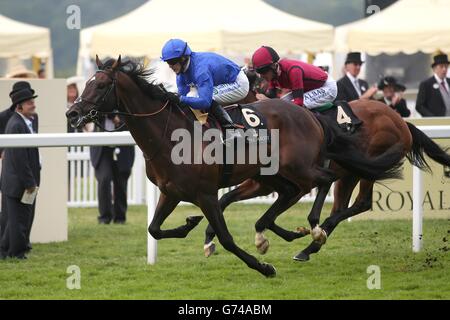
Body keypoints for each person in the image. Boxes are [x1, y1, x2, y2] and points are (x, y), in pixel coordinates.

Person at [251, 46, 362, 132]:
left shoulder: (293, 71)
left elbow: (298, 104)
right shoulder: (274, 74)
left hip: (327, 87)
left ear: (274, 66)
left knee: (289, 107)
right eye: (259, 72)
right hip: (310, 87)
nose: (261, 76)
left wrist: (268, 100)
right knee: (282, 103)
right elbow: (272, 97)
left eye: (263, 71)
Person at [160, 39, 249, 142]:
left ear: (183, 58)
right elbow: (182, 99)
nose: (170, 66)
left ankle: (232, 131)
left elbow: (205, 102)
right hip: (222, 83)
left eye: (172, 62)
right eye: (167, 62)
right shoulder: (181, 73)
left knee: (203, 97)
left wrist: (180, 99)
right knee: (191, 97)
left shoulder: (201, 70)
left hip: (238, 83)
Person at [0, 83, 40, 259]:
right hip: (19, 182)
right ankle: (17, 254)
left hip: (19, 181)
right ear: (19, 106)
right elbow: (20, 160)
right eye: (29, 102)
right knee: (18, 220)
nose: (33, 104)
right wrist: (30, 183)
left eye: (32, 101)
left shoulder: (24, 121)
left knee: (16, 220)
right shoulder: (16, 125)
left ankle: (8, 250)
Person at [90, 115, 135, 224]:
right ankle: (105, 217)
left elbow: (133, 118)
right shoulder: (98, 103)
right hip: (102, 148)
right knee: (104, 179)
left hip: (123, 147)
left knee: (121, 181)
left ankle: (120, 217)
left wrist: (118, 118)